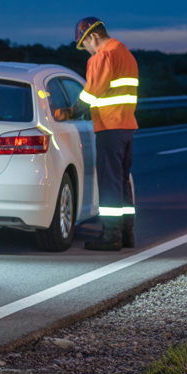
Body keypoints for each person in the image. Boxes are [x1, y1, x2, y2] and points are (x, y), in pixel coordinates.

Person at [74, 17, 138, 251]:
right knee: (121, 182)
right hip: (127, 126)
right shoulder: (126, 54)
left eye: (85, 46)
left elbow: (91, 94)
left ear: (92, 37)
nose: (87, 52)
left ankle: (111, 237)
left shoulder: (103, 56)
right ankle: (127, 234)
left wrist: (72, 110)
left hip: (110, 127)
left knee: (109, 183)